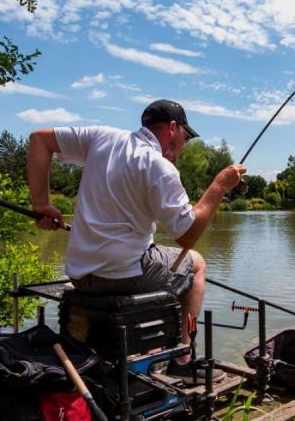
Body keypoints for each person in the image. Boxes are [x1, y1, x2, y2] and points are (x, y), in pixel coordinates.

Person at [27, 99, 246, 383]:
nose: (185, 144)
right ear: (172, 128)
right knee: (197, 265)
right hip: (119, 276)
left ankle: (152, 346)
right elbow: (188, 235)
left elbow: (38, 140)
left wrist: (41, 203)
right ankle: (183, 357)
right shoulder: (159, 167)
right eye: (186, 137)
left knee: (160, 258)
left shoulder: (101, 137)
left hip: (80, 273)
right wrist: (218, 186)